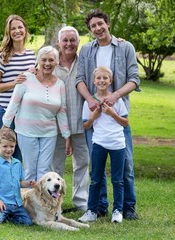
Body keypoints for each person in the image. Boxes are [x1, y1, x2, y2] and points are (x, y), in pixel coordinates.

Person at [75, 9, 141, 220]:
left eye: (100, 24)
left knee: (126, 165)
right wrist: (90, 100)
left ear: (108, 24)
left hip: (116, 116)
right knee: (98, 168)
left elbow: (134, 79)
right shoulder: (86, 50)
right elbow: (79, 79)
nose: (97, 28)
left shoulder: (125, 47)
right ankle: (99, 206)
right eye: (93, 26)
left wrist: (115, 96)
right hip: (94, 115)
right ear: (90, 30)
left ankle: (127, 207)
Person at [2, 46, 72, 182]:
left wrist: (66, 135)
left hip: (49, 133)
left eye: (51, 60)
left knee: (44, 170)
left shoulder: (60, 85)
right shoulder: (26, 78)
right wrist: (5, 126)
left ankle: (42, 203)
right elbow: (14, 103)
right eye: (44, 60)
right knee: (29, 170)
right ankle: (28, 201)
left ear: (56, 62)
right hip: (26, 131)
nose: (47, 63)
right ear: (38, 61)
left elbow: (62, 111)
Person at [78, 66, 128, 223]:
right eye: (98, 78)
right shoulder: (89, 103)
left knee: (117, 180)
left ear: (110, 81)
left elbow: (125, 123)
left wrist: (112, 113)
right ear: (94, 81)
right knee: (96, 179)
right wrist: (93, 116)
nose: (102, 81)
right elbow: (86, 126)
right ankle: (92, 211)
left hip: (117, 144)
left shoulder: (117, 101)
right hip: (99, 143)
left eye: (105, 78)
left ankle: (117, 211)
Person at [51, 26, 90, 212]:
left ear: (78, 42)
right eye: (65, 40)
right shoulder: (51, 62)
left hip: (80, 123)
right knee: (55, 166)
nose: (69, 44)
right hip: (55, 125)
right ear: (59, 42)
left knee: (82, 163)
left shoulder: (85, 62)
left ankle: (81, 203)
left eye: (72, 40)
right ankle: (53, 204)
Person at [0, 14, 36, 161]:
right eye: (13, 29)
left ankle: (18, 185)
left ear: (25, 30)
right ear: (8, 33)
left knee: (22, 157)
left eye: (20, 27)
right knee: (9, 156)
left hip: (26, 114)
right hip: (5, 112)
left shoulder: (32, 56)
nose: (17, 31)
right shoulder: (3, 56)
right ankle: (3, 184)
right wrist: (14, 82)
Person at [0, 128, 36, 225]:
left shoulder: (17, 163)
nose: (9, 149)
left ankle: (8, 216)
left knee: (27, 222)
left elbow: (19, 183)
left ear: (15, 145)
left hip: (17, 204)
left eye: (11, 146)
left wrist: (28, 183)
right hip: (2, 203)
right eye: (5, 146)